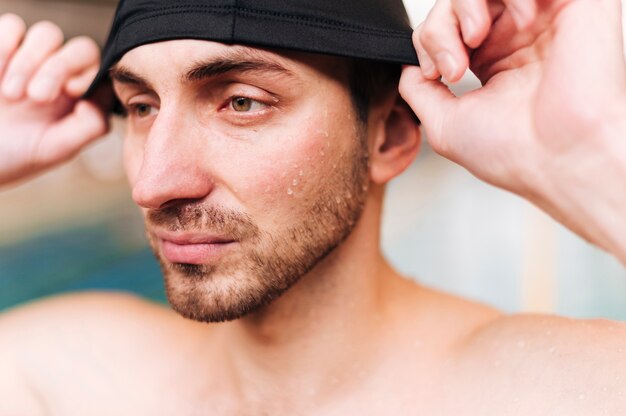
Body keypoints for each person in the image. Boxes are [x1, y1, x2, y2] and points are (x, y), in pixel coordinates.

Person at [0, 0, 625, 414]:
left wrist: (589, 158)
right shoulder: (72, 380)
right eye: (141, 107)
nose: (154, 183)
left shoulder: (545, 393)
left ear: (389, 136)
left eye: (242, 101)